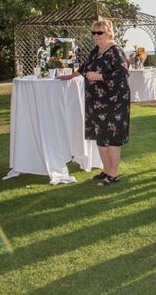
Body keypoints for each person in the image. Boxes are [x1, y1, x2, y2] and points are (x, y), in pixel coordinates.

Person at [58, 19, 130, 186]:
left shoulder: (116, 51)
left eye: (100, 33)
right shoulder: (95, 51)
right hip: (97, 101)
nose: (96, 36)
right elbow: (84, 68)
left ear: (109, 33)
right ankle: (106, 169)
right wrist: (67, 77)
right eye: (94, 33)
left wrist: (99, 77)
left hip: (115, 102)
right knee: (101, 136)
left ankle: (113, 174)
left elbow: (123, 74)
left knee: (112, 137)